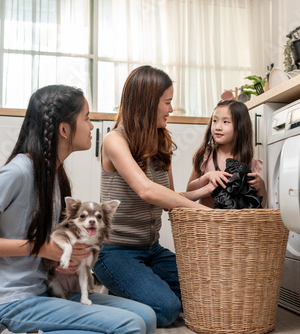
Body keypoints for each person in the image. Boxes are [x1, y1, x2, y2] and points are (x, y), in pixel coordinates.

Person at [0, 85, 156, 334]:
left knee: (146, 316)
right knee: (130, 326)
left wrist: (63, 259)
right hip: (8, 302)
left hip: (43, 291)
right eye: (87, 118)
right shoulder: (18, 172)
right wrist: (38, 247)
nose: (92, 126)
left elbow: (49, 247)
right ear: (65, 129)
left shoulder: (54, 176)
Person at [92, 65, 214, 327]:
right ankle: (100, 301)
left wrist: (204, 187)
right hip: (114, 252)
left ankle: (128, 288)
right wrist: (203, 211)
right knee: (168, 310)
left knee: (205, 293)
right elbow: (145, 190)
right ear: (147, 104)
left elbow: (168, 197)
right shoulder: (115, 140)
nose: (171, 109)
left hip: (152, 250)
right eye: (167, 102)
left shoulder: (161, 141)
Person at [187, 99, 268, 208]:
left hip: (234, 224)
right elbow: (188, 192)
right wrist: (207, 177)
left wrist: (261, 186)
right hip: (207, 223)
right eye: (215, 120)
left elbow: (261, 206)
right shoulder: (206, 155)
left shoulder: (248, 162)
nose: (218, 127)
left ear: (241, 126)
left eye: (225, 122)